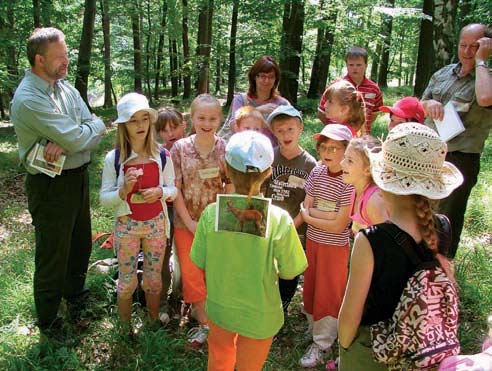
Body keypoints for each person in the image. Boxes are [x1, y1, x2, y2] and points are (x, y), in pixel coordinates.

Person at [338, 123, 463, 370]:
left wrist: (345, 345)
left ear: (383, 179)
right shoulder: (443, 227)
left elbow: (349, 317)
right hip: (419, 352)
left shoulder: (371, 240)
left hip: (372, 351)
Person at [10, 27, 106, 343]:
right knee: (53, 253)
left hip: (77, 178)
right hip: (50, 186)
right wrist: (76, 135)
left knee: (79, 243)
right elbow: (78, 135)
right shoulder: (28, 98)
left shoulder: (65, 89)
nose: (66, 61)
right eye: (60, 57)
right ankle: (49, 324)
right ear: (39, 60)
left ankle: (76, 295)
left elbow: (90, 126)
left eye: (66, 54)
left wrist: (79, 134)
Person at [190, 131, 307, 371]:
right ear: (268, 172)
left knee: (219, 360)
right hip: (260, 316)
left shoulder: (211, 213)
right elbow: (290, 271)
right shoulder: (280, 219)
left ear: (226, 168)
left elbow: (198, 260)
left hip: (220, 310)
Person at [100, 93, 177, 333]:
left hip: (155, 225)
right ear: (123, 125)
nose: (141, 125)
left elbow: (173, 187)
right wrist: (123, 191)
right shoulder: (115, 159)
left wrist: (161, 192)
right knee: (126, 281)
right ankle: (124, 329)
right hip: (127, 226)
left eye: (145, 118)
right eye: (134, 120)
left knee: (153, 280)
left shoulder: (162, 155)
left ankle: (152, 322)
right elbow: (104, 199)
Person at [421, 23, 492, 258]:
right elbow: (420, 104)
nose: (467, 51)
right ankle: (420, 264)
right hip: (430, 152)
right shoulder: (443, 74)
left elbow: (485, 98)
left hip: (461, 158)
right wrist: (428, 104)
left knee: (447, 219)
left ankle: (442, 272)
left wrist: (482, 61)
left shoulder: (486, 79)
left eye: (475, 46)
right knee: (422, 211)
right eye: (463, 45)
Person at [171, 94, 234, 346]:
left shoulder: (225, 148)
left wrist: (222, 218)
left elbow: (229, 184)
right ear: (191, 118)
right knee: (192, 272)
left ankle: (217, 319)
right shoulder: (180, 148)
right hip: (186, 223)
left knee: (216, 271)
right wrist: (190, 223)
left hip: (217, 223)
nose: (207, 123)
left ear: (220, 119)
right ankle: (203, 324)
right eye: (201, 118)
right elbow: (175, 189)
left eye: (212, 118)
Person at [298, 124, 354, 368]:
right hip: (313, 242)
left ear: (347, 151)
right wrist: (321, 215)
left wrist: (311, 218)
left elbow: (339, 225)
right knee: (311, 285)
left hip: (334, 247)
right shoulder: (318, 171)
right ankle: (313, 329)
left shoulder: (349, 179)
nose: (328, 152)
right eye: (324, 147)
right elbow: (307, 204)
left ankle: (323, 342)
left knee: (329, 291)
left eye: (335, 147)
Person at [263, 105, 317, 313]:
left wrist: (290, 226)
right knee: (268, 265)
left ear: (300, 129)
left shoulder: (309, 164)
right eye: (280, 130)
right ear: (274, 132)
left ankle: (283, 305)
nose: (286, 134)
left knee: (288, 269)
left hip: (295, 227)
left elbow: (308, 203)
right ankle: (268, 303)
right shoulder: (269, 157)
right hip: (268, 225)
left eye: (290, 129)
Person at [154, 107, 188, 323]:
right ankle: (162, 301)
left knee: (185, 256)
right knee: (164, 255)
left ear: (184, 125)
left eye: (174, 127)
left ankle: (182, 296)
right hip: (164, 212)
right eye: (164, 130)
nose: (170, 133)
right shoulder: (157, 153)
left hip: (188, 211)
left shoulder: (191, 148)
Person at [218, 55, 290, 142]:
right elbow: (234, 127)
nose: (266, 81)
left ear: (276, 79)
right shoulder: (241, 100)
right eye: (263, 76)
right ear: (254, 77)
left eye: (271, 77)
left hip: (271, 153)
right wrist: (256, 111)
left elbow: (288, 134)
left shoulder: (282, 104)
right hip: (241, 152)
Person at [318, 46, 383, 134]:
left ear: (366, 66)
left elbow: (374, 115)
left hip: (362, 137)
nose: (355, 68)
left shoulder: (374, 89)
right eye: (351, 65)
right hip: (337, 135)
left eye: (359, 65)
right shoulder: (335, 86)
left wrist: (358, 126)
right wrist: (335, 127)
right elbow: (322, 112)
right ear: (347, 65)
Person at [340, 136, 388, 234]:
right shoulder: (355, 192)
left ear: (367, 170)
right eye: (344, 157)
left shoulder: (374, 201)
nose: (341, 163)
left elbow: (387, 240)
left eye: (350, 161)